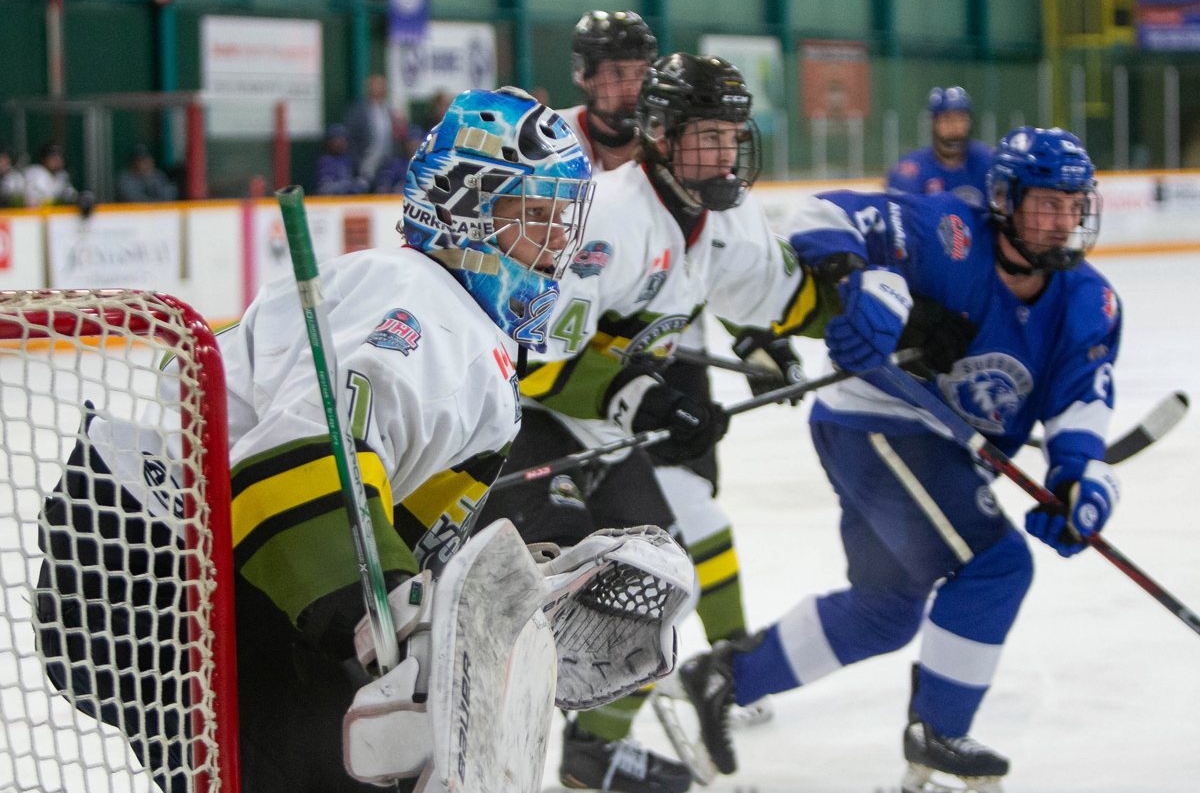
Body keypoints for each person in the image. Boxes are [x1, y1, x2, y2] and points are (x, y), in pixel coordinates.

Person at [33, 87, 694, 793]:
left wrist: (499, 612)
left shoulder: (460, 325)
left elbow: (376, 517)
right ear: (465, 209)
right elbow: (291, 463)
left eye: (563, 222)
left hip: (199, 566)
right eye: (535, 217)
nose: (558, 244)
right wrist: (393, 623)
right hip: (154, 566)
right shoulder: (422, 305)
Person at [680, 128, 1120, 793]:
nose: (1063, 222)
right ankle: (938, 738)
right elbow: (820, 213)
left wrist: (1080, 474)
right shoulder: (948, 232)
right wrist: (859, 281)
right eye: (1046, 206)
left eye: (1073, 206)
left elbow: (1081, 404)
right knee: (995, 563)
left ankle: (725, 677)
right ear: (1006, 199)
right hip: (877, 418)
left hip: (930, 443)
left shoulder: (1091, 301)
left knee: (885, 609)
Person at [479, 53, 833, 793]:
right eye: (709, 135)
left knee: (660, 589)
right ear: (663, 134)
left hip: (600, 435)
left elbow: (785, 293)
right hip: (519, 429)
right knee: (537, 611)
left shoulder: (719, 220)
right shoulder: (606, 215)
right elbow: (535, 360)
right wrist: (654, 402)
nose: (727, 152)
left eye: (733, 135)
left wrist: (877, 312)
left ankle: (591, 755)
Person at [561, 10, 657, 174]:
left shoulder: (664, 143)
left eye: (641, 73)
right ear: (584, 76)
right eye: (617, 73)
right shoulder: (553, 135)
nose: (632, 87)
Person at [886, 87, 994, 207]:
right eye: (948, 119)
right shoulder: (911, 170)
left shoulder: (987, 160)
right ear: (934, 122)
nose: (956, 126)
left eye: (962, 119)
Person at [346, 74, 394, 181]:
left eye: (381, 85)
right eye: (375, 85)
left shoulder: (388, 109)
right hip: (366, 161)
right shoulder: (358, 111)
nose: (379, 89)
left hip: (387, 161)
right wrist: (357, 163)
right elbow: (351, 138)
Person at [314, 123, 369, 195]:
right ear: (329, 142)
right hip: (328, 202)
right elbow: (324, 189)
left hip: (347, 200)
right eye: (336, 140)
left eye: (343, 140)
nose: (340, 143)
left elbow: (360, 183)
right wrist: (347, 186)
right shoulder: (324, 161)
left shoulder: (348, 159)